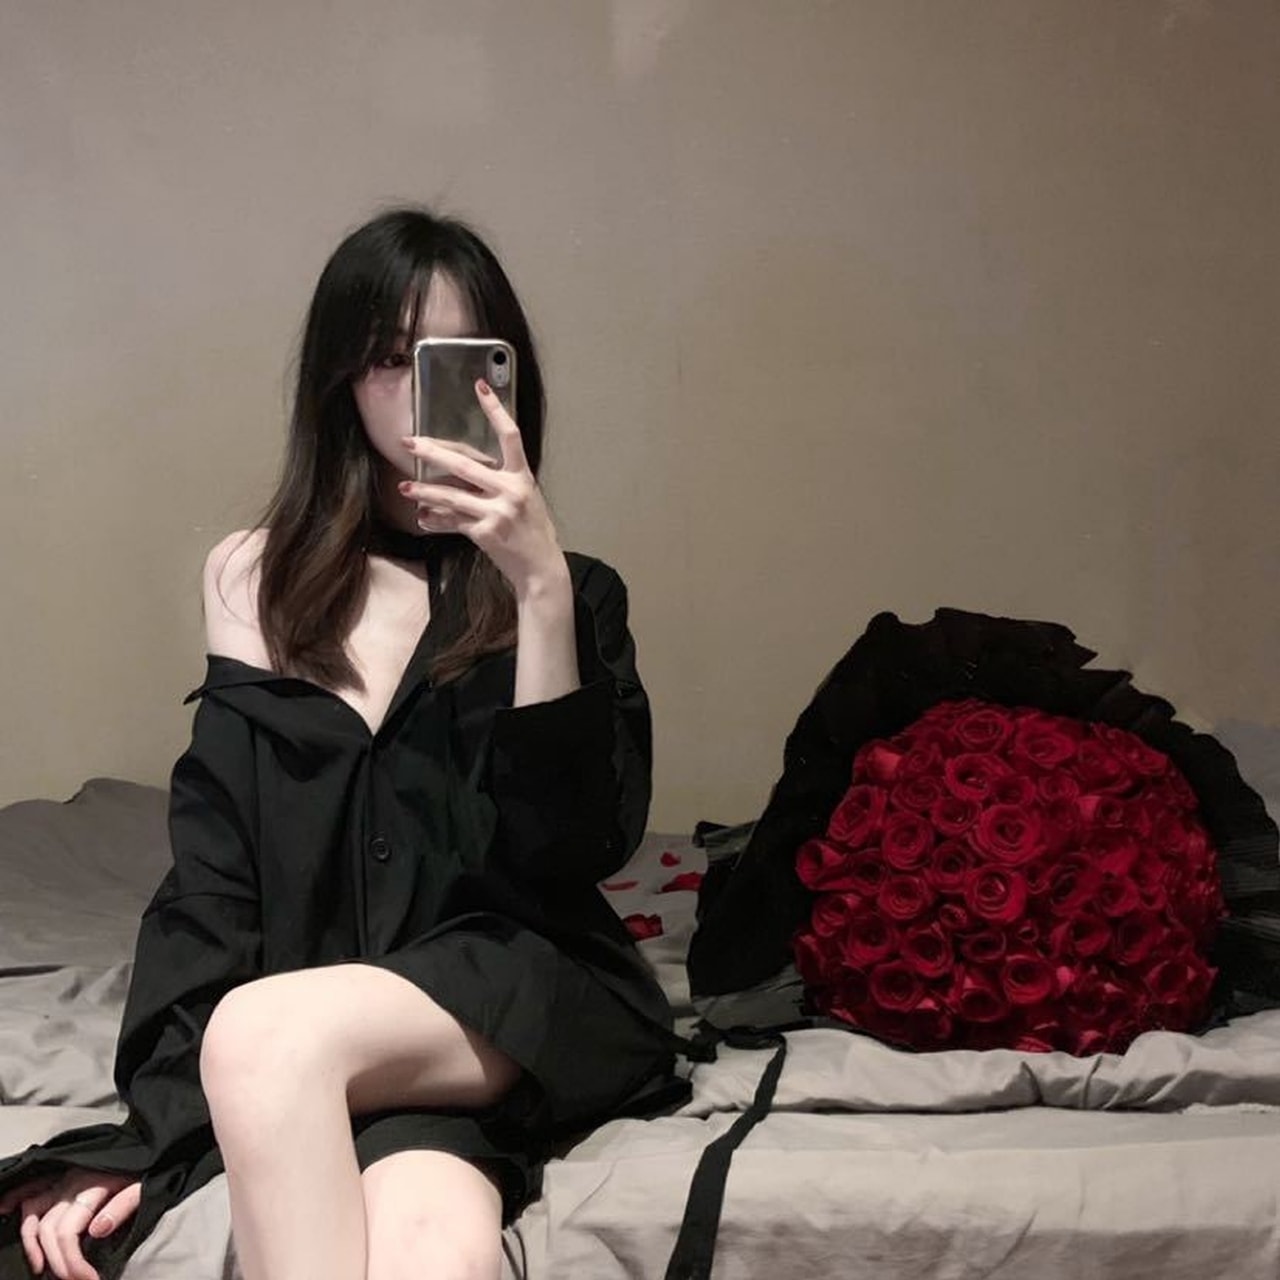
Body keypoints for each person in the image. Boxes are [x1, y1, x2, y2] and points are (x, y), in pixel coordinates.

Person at [0, 207, 678, 1280]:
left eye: (452, 361)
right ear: (339, 382)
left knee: (263, 1035)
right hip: (332, 1025)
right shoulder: (253, 578)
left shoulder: (570, 589)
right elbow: (216, 873)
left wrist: (539, 587)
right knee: (433, 1252)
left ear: (502, 378)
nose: (417, 397)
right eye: (388, 361)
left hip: (515, 998)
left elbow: (569, 852)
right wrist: (154, 1132)